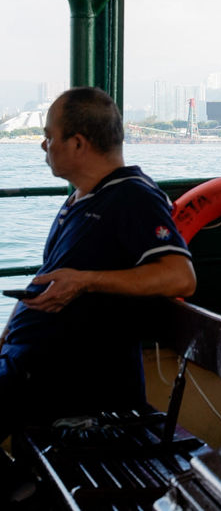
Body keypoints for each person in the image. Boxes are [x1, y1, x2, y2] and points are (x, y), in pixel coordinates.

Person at [0, 86, 196, 443]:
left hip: (69, 387)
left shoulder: (133, 197)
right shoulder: (80, 199)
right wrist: (7, 335)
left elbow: (180, 276)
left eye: (49, 137)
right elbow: (47, 277)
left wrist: (85, 281)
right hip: (27, 367)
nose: (44, 146)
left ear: (77, 144)